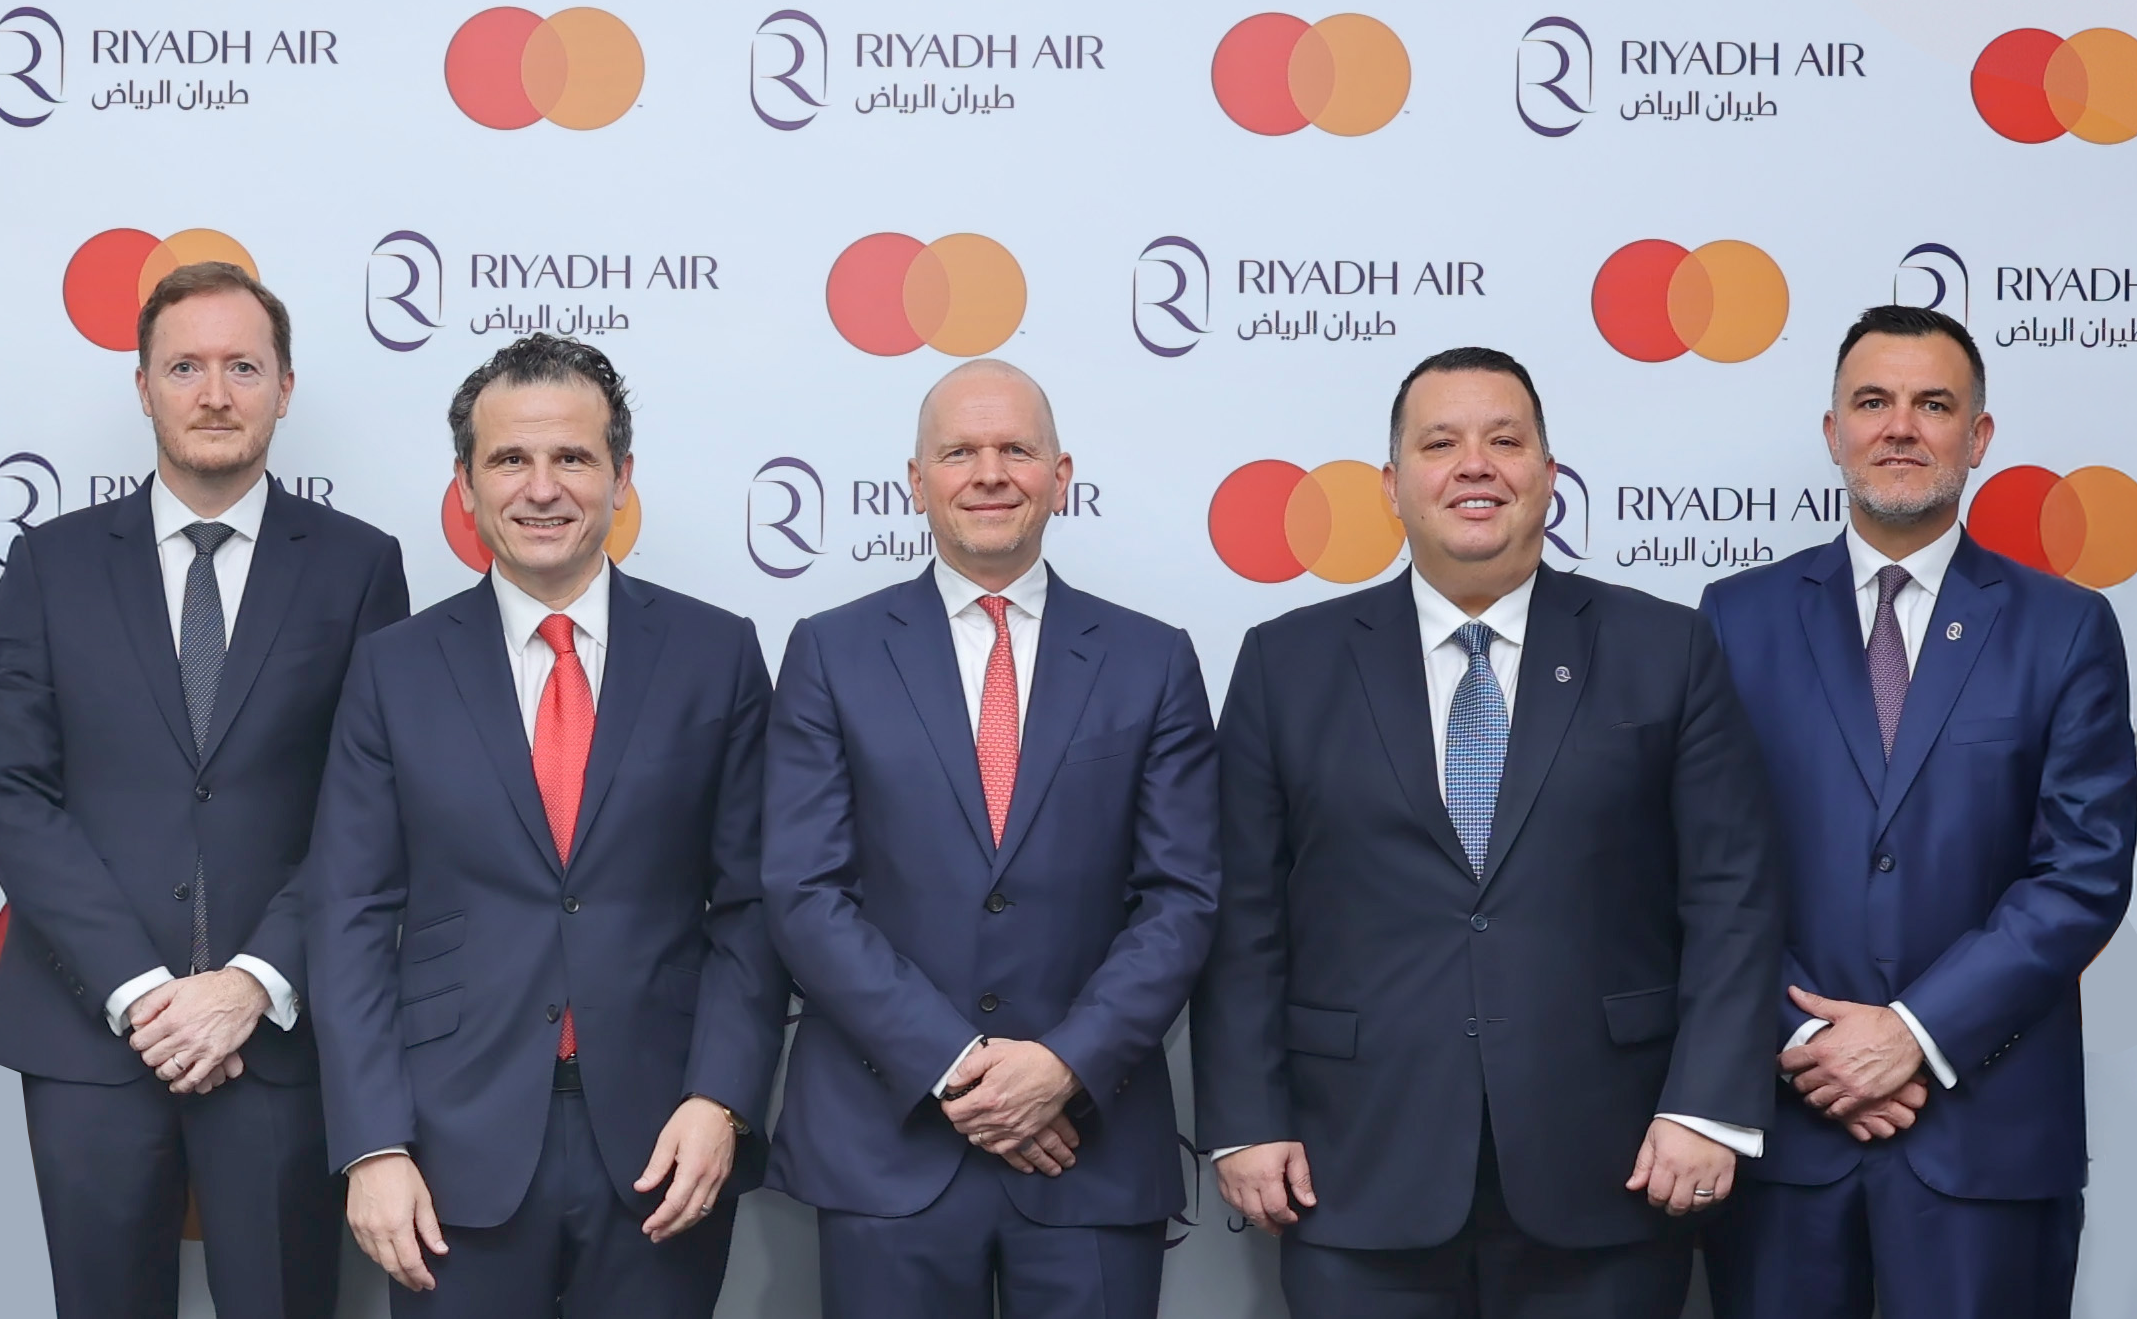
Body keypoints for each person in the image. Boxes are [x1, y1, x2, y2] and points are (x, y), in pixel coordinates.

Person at [1192, 347, 1785, 1318]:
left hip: (1617, 1168)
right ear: (1391, 486)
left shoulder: (1666, 649)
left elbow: (1731, 897)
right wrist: (1245, 1119)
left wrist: (1708, 1104)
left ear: (1548, 476)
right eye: (1440, 443)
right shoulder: (1284, 663)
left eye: (1504, 441)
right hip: (1353, 1171)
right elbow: (1242, 917)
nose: (1475, 464)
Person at [303, 334, 787, 1316]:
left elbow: (753, 906)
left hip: (665, 1142)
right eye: (509, 459)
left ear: (621, 477)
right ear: (465, 485)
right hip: (446, 1150)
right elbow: (348, 913)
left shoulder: (717, 654)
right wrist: (372, 1141)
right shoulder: (393, 668)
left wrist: (722, 1098)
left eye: (572, 456)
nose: (541, 487)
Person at [1700, 305, 2135, 1319]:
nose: (1899, 426)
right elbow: (1699, 865)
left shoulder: (2067, 627)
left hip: (1984, 1136)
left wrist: (1914, 1031)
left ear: (1977, 436)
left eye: (1932, 404)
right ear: (1832, 431)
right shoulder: (1735, 617)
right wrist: (1809, 1041)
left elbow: (2082, 872)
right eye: (1872, 401)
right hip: (1786, 1131)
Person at [761, 359, 1220, 1319]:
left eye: (1015, 448)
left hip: (1087, 1149)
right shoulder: (830, 651)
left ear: (1060, 474)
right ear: (915, 480)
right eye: (959, 451)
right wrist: (961, 1064)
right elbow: (805, 892)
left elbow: (1180, 898)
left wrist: (1062, 1066)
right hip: (888, 1147)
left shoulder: (1153, 659)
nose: (989, 472)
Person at [0, 262, 408, 1317]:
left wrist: (251, 985)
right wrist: (142, 992)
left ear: (285, 386)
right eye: (185, 367)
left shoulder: (360, 567)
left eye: (243, 367)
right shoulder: (47, 563)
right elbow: (15, 793)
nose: (215, 394)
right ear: (143, 386)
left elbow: (368, 809)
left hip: (278, 1038)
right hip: (90, 1033)